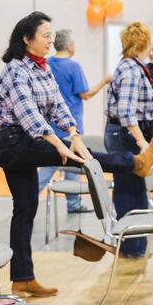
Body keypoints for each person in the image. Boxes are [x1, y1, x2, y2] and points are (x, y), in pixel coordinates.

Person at [0, 11, 153, 296]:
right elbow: (29, 115)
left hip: (23, 141)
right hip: (7, 141)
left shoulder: (42, 68)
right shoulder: (16, 71)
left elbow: (58, 104)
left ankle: (22, 278)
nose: (50, 41)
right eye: (45, 36)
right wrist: (61, 145)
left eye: (52, 36)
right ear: (26, 39)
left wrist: (74, 133)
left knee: (25, 209)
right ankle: (135, 162)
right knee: (78, 158)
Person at [105, 21, 153, 257]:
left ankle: (137, 247)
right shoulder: (131, 70)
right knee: (128, 190)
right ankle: (131, 248)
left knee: (136, 190)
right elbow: (126, 113)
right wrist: (142, 142)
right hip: (125, 135)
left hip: (125, 133)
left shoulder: (134, 67)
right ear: (145, 42)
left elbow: (151, 102)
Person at [37, 28, 111, 214]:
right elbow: (85, 94)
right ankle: (72, 203)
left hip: (49, 125)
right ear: (70, 45)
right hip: (70, 125)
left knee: (48, 163)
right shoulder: (73, 67)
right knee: (69, 163)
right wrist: (105, 81)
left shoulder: (46, 64)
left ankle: (68, 202)